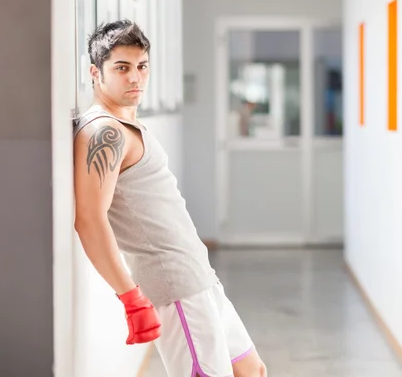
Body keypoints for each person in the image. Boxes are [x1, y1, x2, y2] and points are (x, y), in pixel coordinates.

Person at [73, 20, 267, 377]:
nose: (135, 78)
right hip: (176, 289)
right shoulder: (104, 131)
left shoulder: (126, 123)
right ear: (95, 72)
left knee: (251, 370)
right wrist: (130, 298)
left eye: (141, 66)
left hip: (199, 276)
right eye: (122, 68)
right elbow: (88, 219)